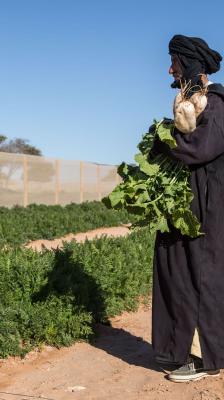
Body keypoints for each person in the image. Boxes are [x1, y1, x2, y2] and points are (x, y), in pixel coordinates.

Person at [151, 35, 224, 382]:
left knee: (204, 278)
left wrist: (165, 144)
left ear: (189, 63)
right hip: (189, 207)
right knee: (177, 271)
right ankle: (178, 348)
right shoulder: (191, 102)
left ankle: (208, 358)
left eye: (174, 62)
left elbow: (200, 149)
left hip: (210, 210)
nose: (170, 69)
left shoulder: (218, 103)